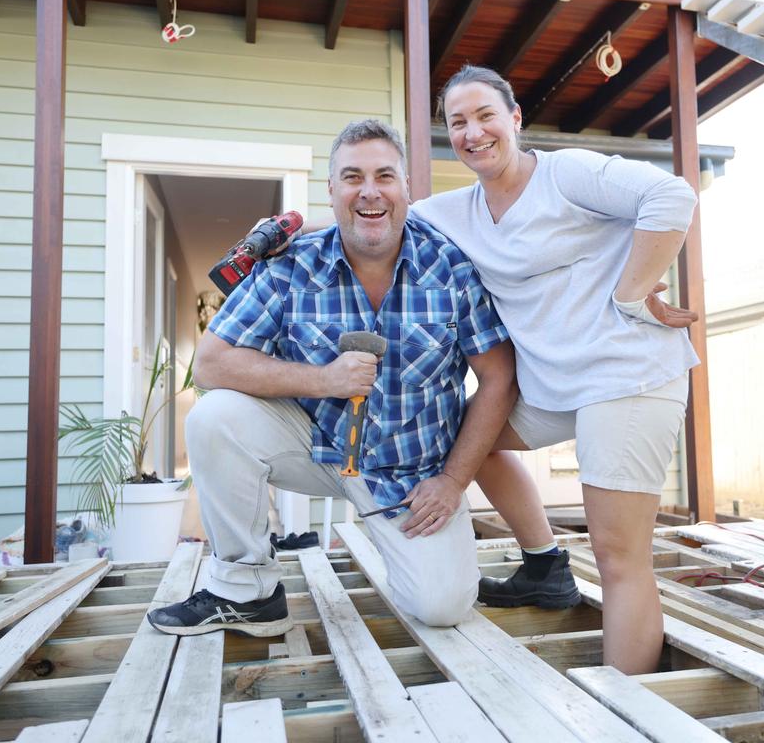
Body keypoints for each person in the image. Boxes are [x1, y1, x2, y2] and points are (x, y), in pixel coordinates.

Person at [148, 119, 515, 636]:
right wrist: (324, 380)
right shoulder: (289, 266)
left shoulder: (450, 268)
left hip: (410, 474)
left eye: (385, 176)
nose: (369, 191)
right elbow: (210, 363)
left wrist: (453, 481)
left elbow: (498, 379)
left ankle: (400, 545)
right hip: (314, 447)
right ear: (331, 189)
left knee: (443, 607)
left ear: (407, 187)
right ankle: (246, 589)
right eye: (352, 177)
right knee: (214, 417)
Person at [409, 65, 699, 674]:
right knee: (468, 439)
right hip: (551, 384)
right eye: (457, 122)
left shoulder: (566, 174)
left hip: (626, 376)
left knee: (619, 556)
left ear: (515, 119)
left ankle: (628, 712)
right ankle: (544, 565)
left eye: (485, 115)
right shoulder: (450, 213)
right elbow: (371, 226)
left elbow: (672, 195)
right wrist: (281, 239)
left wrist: (630, 292)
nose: (472, 132)